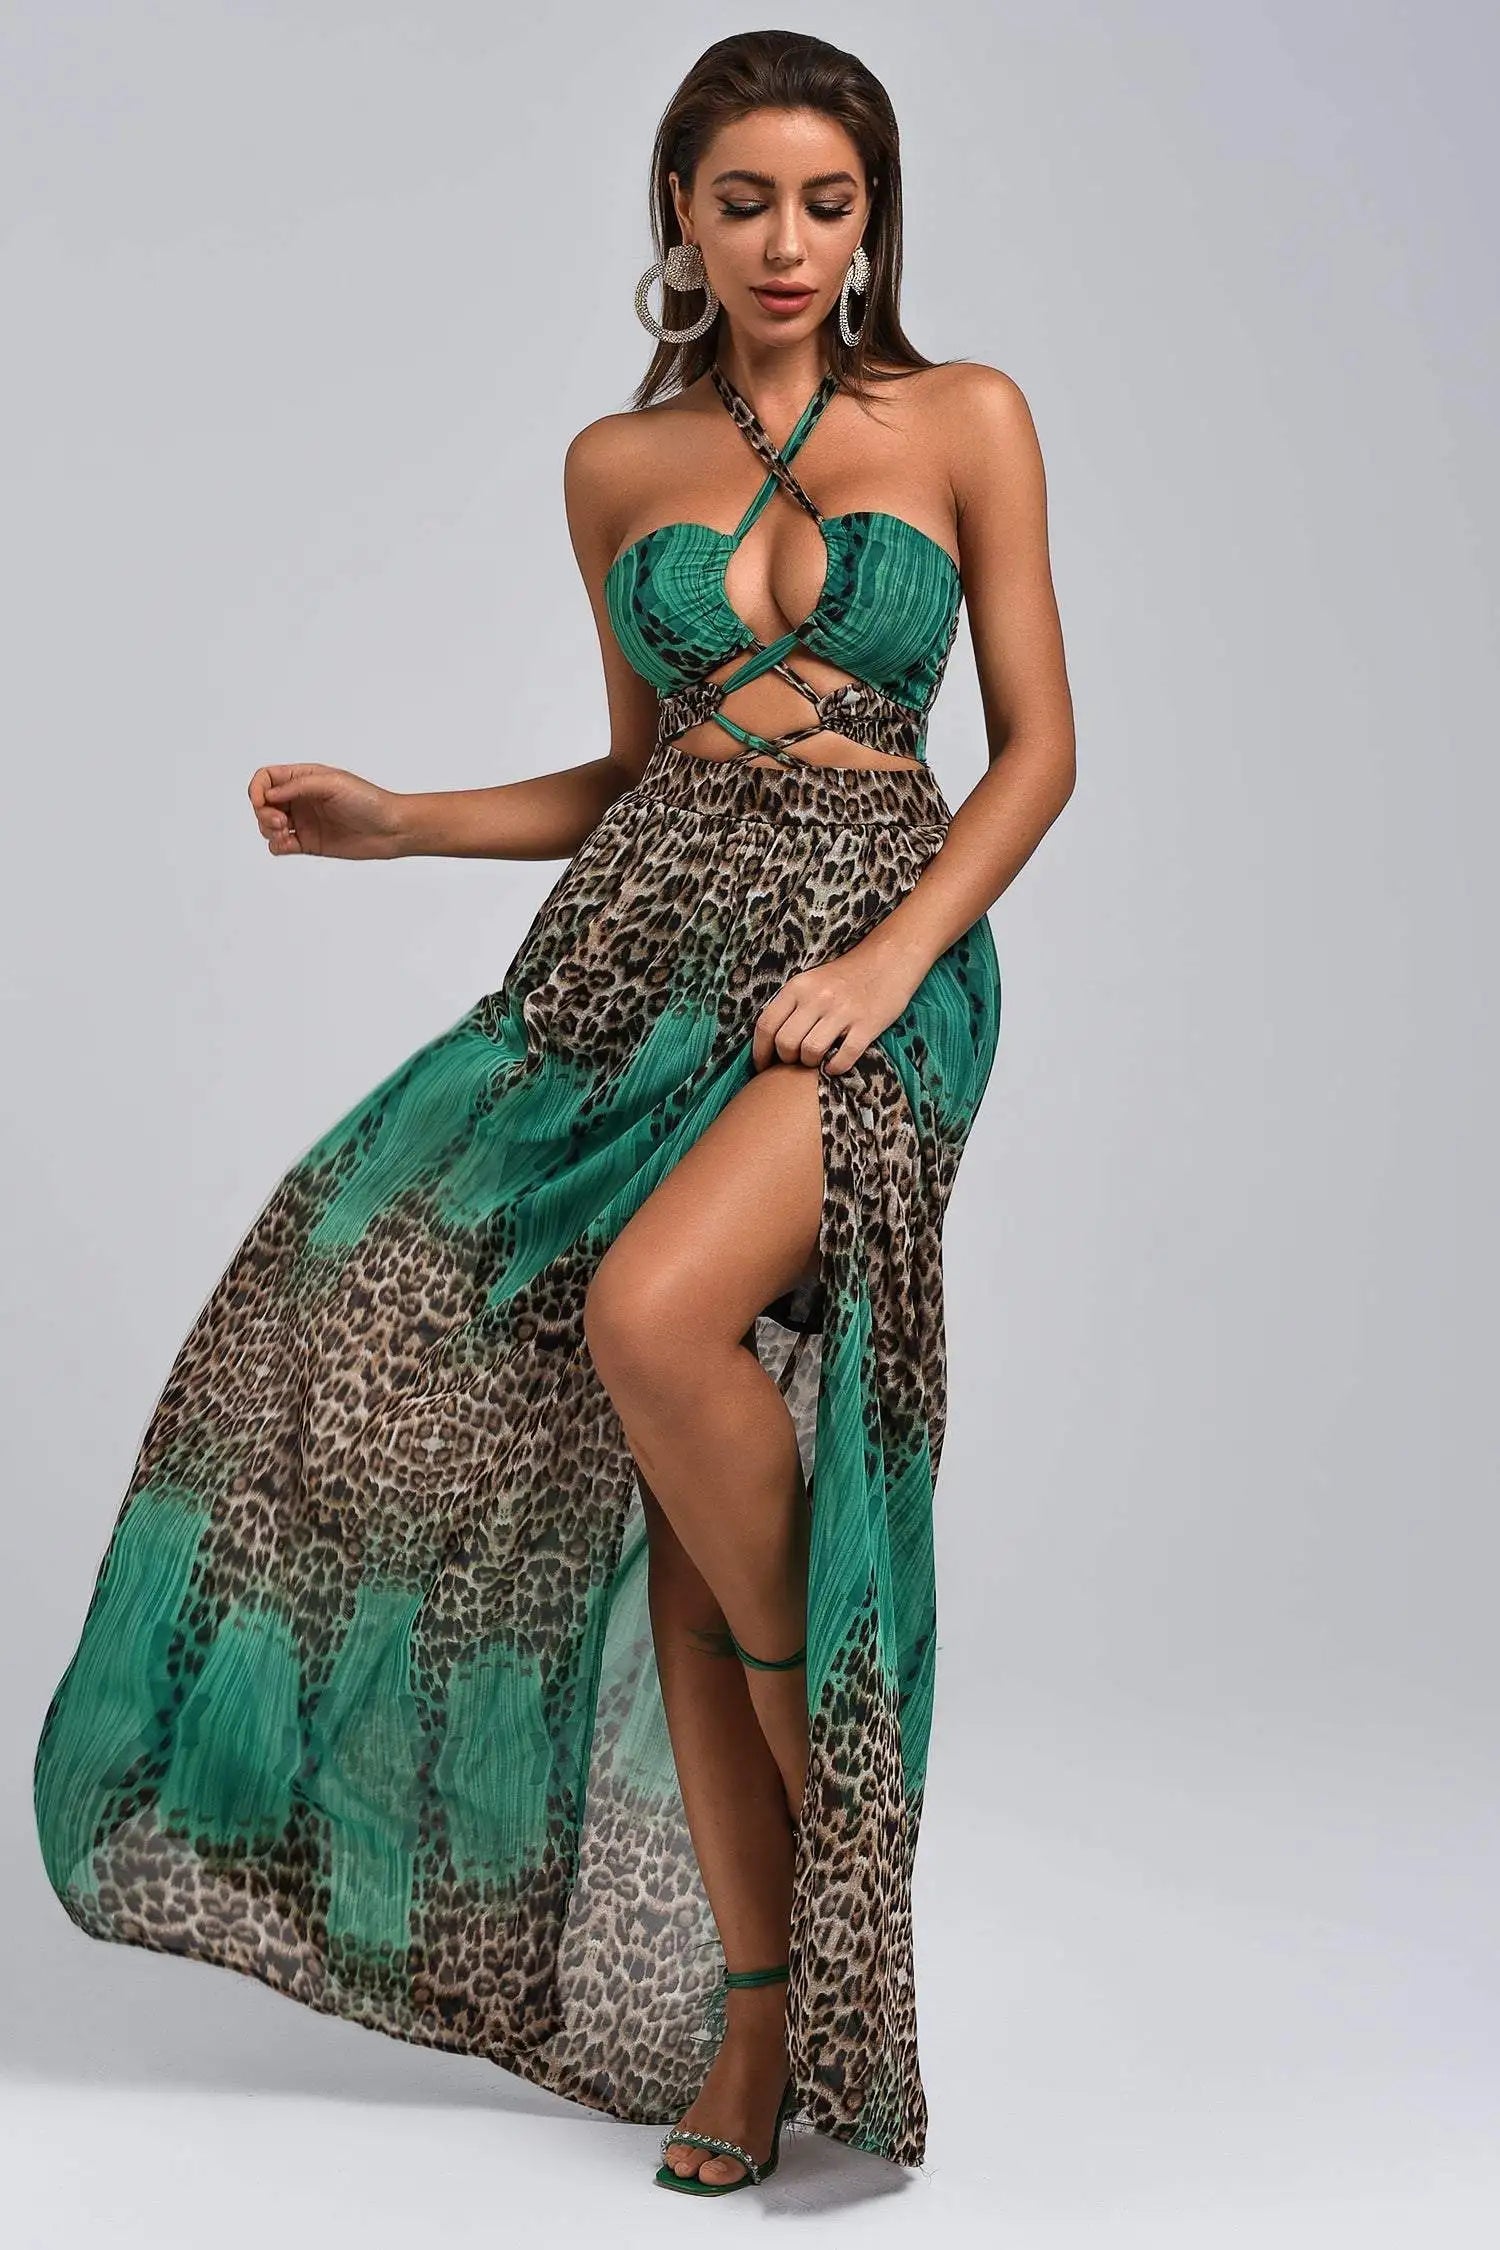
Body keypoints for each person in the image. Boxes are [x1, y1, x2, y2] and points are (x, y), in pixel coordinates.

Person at [32, 27, 1074, 2200]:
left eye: (828, 203)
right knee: (611, 1437)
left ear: (872, 218)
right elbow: (636, 772)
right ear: (677, 209)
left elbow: (1039, 750)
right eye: (744, 200)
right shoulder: (617, 464)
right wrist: (404, 818)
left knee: (650, 1313)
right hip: (638, 963)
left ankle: (834, 1777)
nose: (787, 242)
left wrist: (893, 967)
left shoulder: (965, 418)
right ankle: (757, 2019)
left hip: (873, 962)